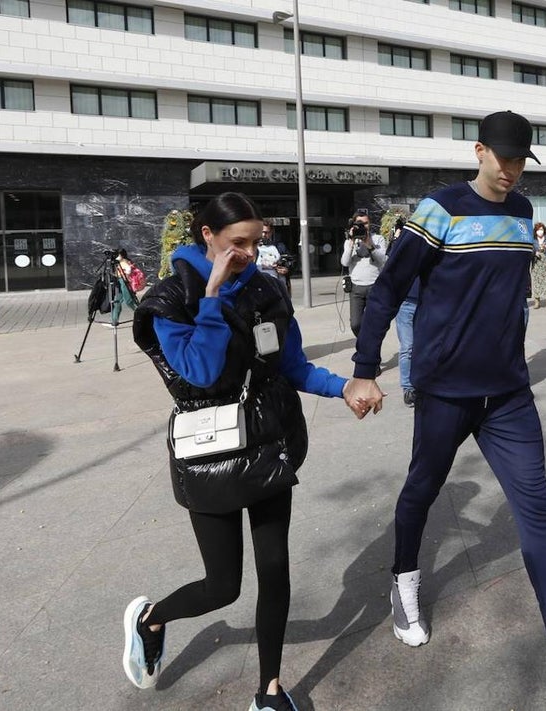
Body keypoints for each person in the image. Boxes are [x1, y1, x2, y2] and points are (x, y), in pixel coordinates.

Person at [343, 111, 546, 710]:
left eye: (519, 161)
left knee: (537, 512)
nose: (510, 170)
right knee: (422, 488)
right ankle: (403, 579)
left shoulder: (522, 212)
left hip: (508, 392)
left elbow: (510, 296)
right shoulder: (439, 209)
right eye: (501, 158)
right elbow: (386, 290)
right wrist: (362, 368)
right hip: (445, 390)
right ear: (478, 151)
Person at [125, 192, 355, 711]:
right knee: (222, 585)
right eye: (237, 243)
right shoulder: (170, 298)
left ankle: (270, 691)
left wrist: (344, 388)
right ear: (206, 235)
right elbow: (199, 373)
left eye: (256, 242)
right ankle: (151, 617)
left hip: (270, 447)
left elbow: (291, 366)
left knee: (275, 570)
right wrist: (210, 295)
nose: (249, 253)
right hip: (211, 456)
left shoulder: (267, 290)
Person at [341, 208, 388, 337]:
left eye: (366, 223)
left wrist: (369, 245)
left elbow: (383, 261)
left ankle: (369, 349)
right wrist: (351, 242)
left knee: (374, 322)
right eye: (360, 223)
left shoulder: (378, 239)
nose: (363, 226)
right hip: (356, 288)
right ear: (354, 224)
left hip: (374, 285)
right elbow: (344, 262)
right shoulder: (349, 241)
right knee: (355, 324)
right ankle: (364, 342)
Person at [388, 215, 419, 407]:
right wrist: (397, 240)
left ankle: (423, 383)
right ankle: (408, 388)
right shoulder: (398, 246)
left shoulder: (430, 245)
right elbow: (390, 266)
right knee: (408, 346)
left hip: (427, 303)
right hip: (406, 303)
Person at [256, 221, 294, 297]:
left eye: (266, 232)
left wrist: (287, 270)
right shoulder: (252, 248)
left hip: (278, 288)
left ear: (271, 233)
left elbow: (290, 263)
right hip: (258, 289)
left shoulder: (279, 247)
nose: (263, 235)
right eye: (261, 232)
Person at [110, 249, 144, 326]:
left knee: (129, 301)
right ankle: (114, 321)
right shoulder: (120, 262)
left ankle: (142, 316)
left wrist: (123, 272)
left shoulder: (123, 262)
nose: (117, 257)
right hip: (121, 281)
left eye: (118, 255)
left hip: (125, 282)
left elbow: (128, 270)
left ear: (122, 255)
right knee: (117, 301)